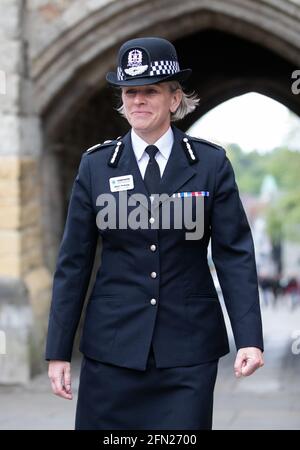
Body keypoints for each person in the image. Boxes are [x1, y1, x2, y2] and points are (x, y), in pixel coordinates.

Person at [46, 36, 264, 430]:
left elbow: (235, 254)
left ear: (174, 98)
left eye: (150, 91)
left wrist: (249, 337)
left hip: (187, 351)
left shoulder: (210, 164)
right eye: (130, 92)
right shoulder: (97, 166)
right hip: (111, 351)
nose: (138, 101)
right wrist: (57, 352)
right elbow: (73, 263)